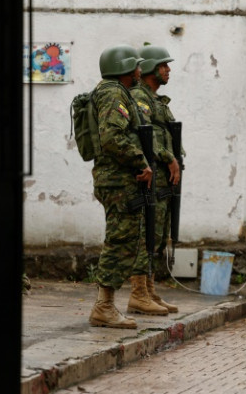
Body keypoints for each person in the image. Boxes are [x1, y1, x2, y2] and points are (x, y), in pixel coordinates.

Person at [88, 44, 155, 329]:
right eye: (137, 66)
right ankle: (103, 306)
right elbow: (112, 137)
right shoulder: (114, 93)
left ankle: (106, 305)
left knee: (122, 239)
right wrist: (141, 162)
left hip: (114, 179)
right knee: (119, 241)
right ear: (126, 69)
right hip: (118, 180)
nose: (141, 70)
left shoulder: (111, 92)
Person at [129, 44, 182, 314]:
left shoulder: (156, 100)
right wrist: (168, 157)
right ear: (150, 68)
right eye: (163, 65)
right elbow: (145, 135)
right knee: (145, 233)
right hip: (150, 179)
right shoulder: (139, 97)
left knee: (157, 235)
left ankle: (149, 290)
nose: (168, 70)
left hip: (162, 181)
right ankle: (138, 293)